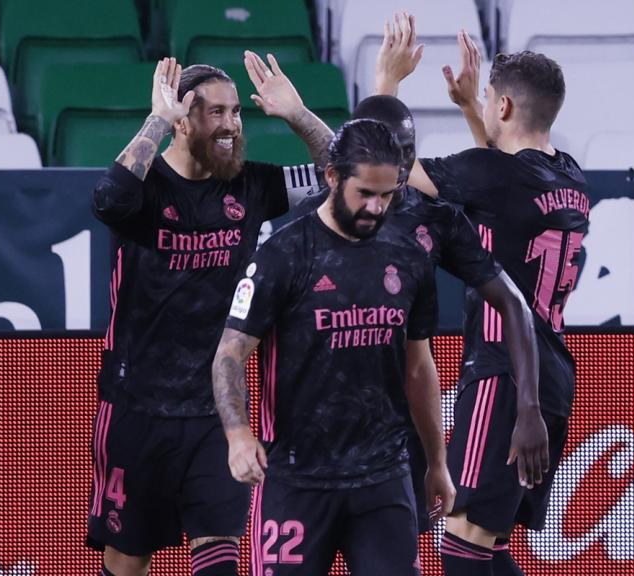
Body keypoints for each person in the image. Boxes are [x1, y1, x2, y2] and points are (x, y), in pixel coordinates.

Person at [88, 55, 334, 576]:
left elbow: (342, 175)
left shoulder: (251, 185)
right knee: (127, 562)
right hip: (136, 408)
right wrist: (156, 118)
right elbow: (108, 201)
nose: (229, 125)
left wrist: (297, 114)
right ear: (183, 120)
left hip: (217, 411)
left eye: (236, 113)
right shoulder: (145, 187)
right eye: (215, 113)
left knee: (219, 556)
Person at [377, 12, 591, 575]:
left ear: (505, 107)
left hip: (502, 376)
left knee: (461, 544)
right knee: (490, 544)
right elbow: (501, 188)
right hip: (550, 378)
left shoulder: (492, 176)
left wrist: (387, 84)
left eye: (489, 96)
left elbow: (388, 173)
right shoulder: (570, 175)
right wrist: (473, 107)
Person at [290, 91, 540, 535]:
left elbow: (513, 304)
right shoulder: (309, 222)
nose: (403, 166)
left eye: (410, 152)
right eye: (392, 152)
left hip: (398, 435)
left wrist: (528, 405)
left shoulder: (434, 221)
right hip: (319, 430)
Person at [212, 118, 440, 575]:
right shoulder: (283, 255)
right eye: (366, 194)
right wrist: (238, 434)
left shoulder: (410, 255)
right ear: (333, 177)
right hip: (296, 481)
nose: (378, 207)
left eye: (388, 194)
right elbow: (229, 355)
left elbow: (418, 369)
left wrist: (437, 462)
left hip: (384, 477)